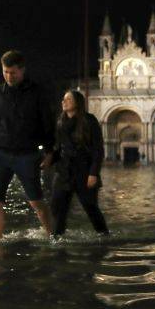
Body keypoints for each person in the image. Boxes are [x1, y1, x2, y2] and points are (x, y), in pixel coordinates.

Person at [0, 50, 54, 238]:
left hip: (27, 154)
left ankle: (52, 235)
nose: (9, 76)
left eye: (13, 72)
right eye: (5, 72)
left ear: (22, 70)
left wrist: (49, 152)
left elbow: (47, 123)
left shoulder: (37, 93)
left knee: (36, 200)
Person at [47, 90, 109, 236]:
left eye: (68, 99)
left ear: (78, 102)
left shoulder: (89, 120)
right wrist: (49, 160)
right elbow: (59, 148)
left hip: (84, 172)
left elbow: (98, 149)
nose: (64, 101)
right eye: (63, 99)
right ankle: (58, 236)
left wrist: (93, 173)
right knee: (57, 206)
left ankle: (103, 234)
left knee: (90, 207)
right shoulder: (60, 122)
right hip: (64, 172)